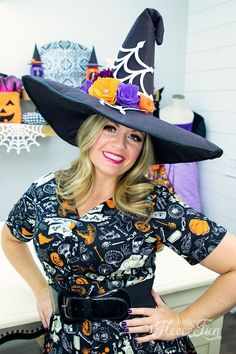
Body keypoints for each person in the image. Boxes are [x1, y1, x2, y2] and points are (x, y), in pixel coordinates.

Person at [1, 8, 236, 354]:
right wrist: (39, 289)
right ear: (90, 130)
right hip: (66, 342)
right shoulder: (45, 191)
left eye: (135, 136)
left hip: (140, 345)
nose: (119, 145)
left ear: (143, 148)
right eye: (110, 127)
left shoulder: (154, 203)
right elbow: (10, 237)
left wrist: (182, 323)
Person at [159, 95, 201, 211]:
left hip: (186, 166)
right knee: (159, 198)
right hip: (161, 162)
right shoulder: (159, 114)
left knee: (188, 199)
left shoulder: (196, 118)